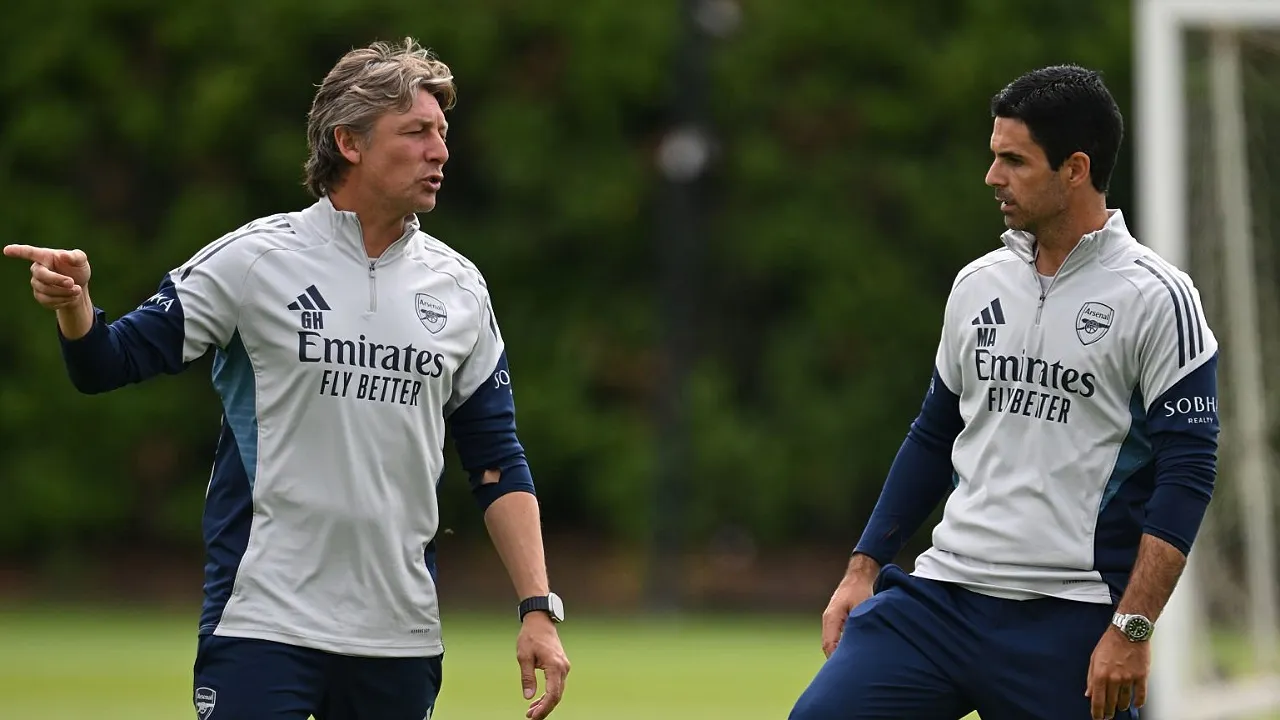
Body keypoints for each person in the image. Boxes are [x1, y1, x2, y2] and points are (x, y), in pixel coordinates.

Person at [4, 38, 570, 720]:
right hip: (260, 623)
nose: (440, 151)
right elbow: (107, 363)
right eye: (417, 132)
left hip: (399, 634)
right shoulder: (254, 262)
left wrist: (537, 608)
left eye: (442, 134)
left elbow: (496, 462)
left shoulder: (458, 288)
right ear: (349, 143)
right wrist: (76, 308)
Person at [788, 64, 1219, 720]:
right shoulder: (978, 284)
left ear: (1075, 169)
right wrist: (863, 566)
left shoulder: (1158, 298)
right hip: (941, 602)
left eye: (1013, 160)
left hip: (1067, 620)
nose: (992, 177)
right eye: (994, 157)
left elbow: (1188, 473)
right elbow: (935, 433)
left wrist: (1131, 628)